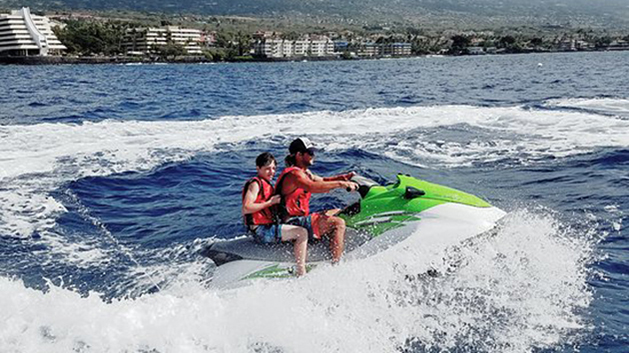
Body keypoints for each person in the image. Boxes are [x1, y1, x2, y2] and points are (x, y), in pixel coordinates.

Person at [275, 138, 358, 264]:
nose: (314, 155)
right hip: (291, 222)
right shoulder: (294, 175)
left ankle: (330, 241)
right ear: (299, 155)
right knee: (338, 223)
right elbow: (312, 187)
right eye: (310, 152)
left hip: (300, 218)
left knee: (338, 211)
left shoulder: (305, 173)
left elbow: (322, 181)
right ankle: (336, 265)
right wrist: (341, 184)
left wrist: (344, 177)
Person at [242, 152, 309, 276]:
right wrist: (269, 203)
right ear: (258, 168)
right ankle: (301, 272)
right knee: (302, 232)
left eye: (273, 169)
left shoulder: (267, 184)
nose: (271, 172)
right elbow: (246, 208)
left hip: (265, 227)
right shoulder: (255, 184)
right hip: (261, 231)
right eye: (267, 169)